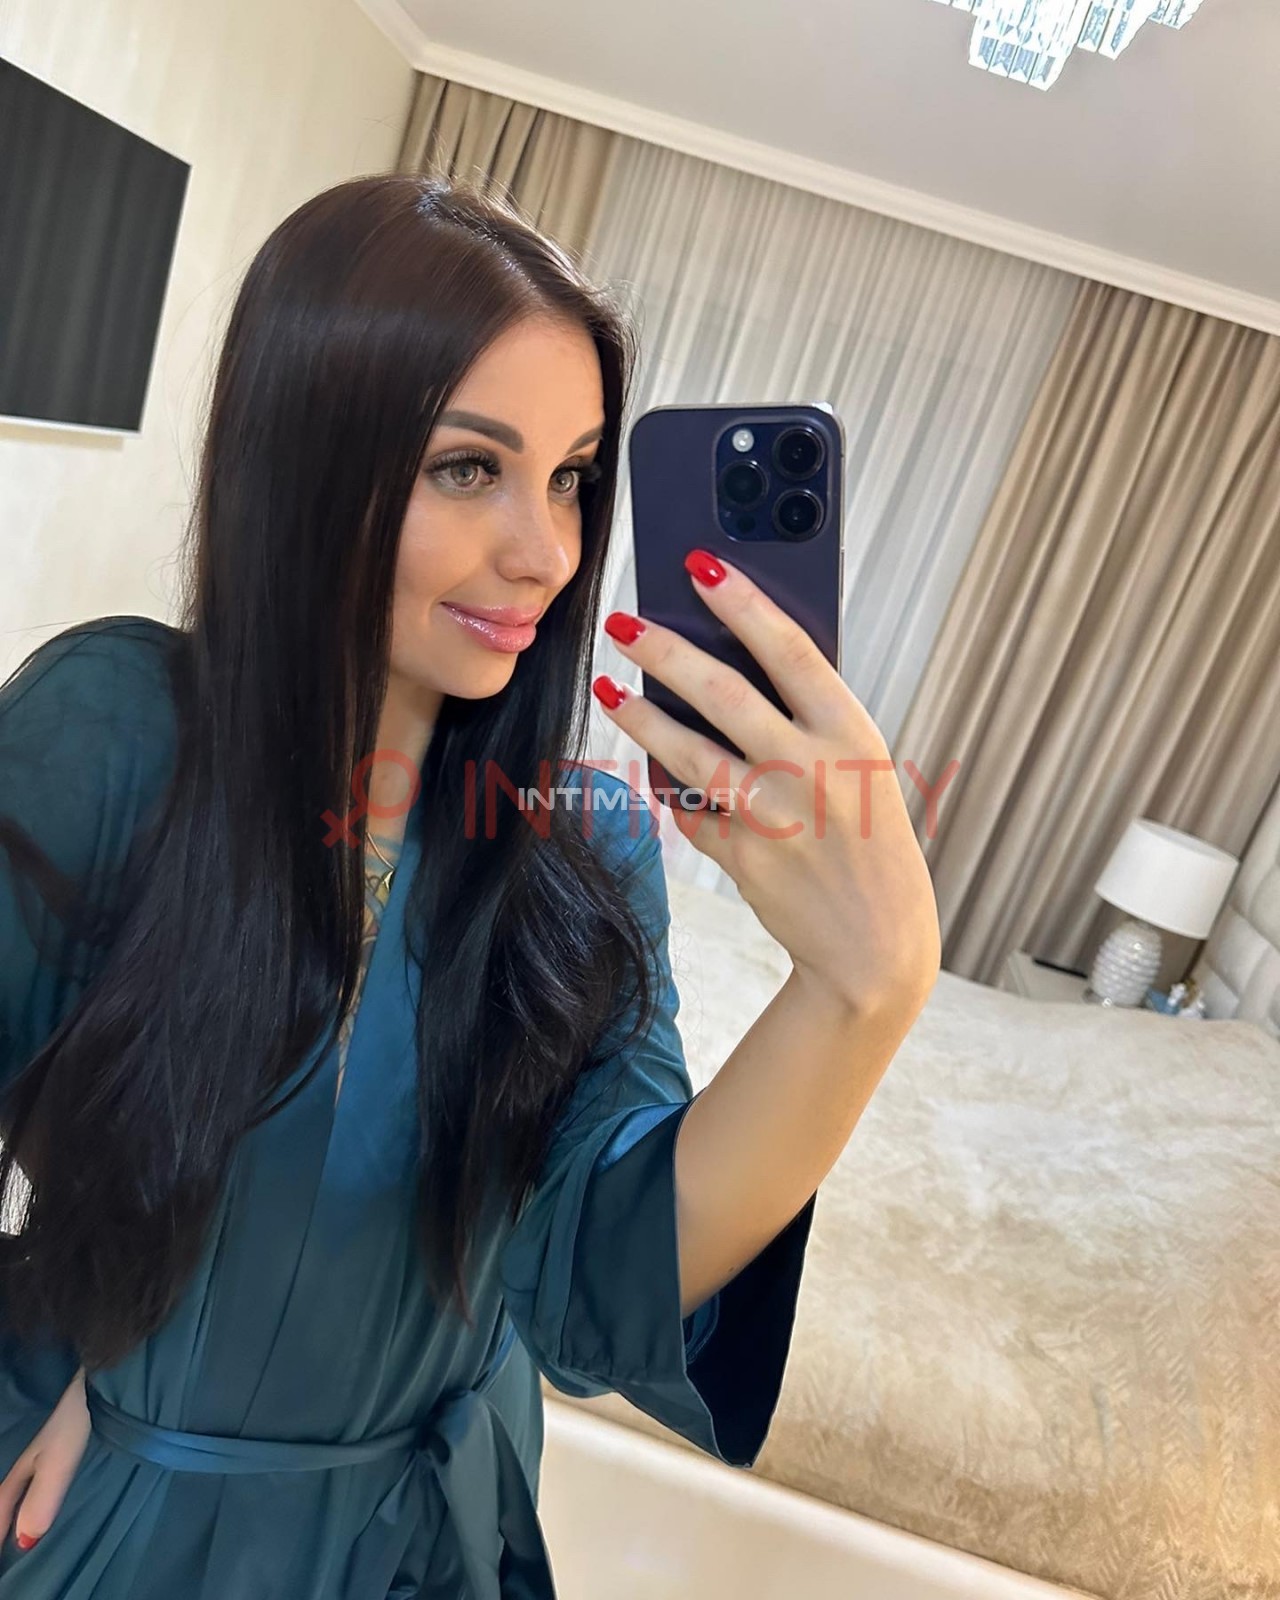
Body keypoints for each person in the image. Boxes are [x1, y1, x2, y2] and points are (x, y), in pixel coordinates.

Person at [0, 174, 940, 1597]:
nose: (548, 553)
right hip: (126, 1516)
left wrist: (862, 994)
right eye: (468, 469)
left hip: (428, 1544)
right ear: (307, 453)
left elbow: (600, 1283)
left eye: (571, 477)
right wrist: (78, 1338)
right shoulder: (118, 735)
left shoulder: (580, 845)